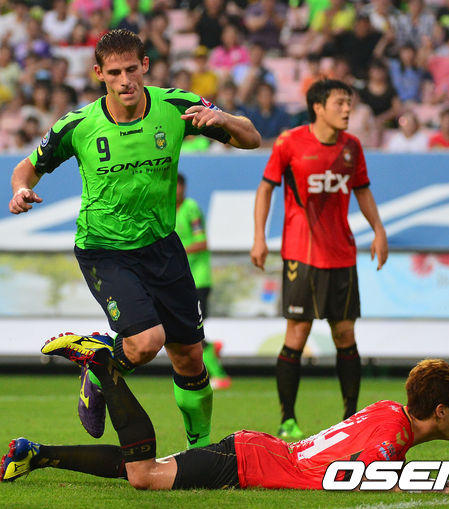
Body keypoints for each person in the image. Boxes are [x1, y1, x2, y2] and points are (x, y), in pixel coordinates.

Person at [8, 29, 260, 449]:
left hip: (162, 247)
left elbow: (251, 138)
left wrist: (225, 120)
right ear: (98, 74)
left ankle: (199, 452)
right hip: (104, 250)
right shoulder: (79, 125)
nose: (125, 81)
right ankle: (98, 372)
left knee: (190, 357)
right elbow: (26, 169)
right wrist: (20, 190)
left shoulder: (176, 107)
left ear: (145, 66)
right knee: (146, 342)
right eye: (114, 73)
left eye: (131, 69)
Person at [1, 348, 449, 494]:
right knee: (145, 476)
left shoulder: (390, 411)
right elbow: (364, 476)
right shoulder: (393, 438)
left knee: (139, 468)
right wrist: (431, 485)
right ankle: (105, 371)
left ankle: (35, 454)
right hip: (250, 464)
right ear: (440, 411)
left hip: (258, 450)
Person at [250, 79, 388, 440]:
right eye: (340, 103)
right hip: (302, 254)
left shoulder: (352, 147)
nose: (347, 109)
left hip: (342, 254)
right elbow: (265, 189)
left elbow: (363, 191)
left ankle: (351, 418)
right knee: (298, 332)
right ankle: (288, 419)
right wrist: (259, 237)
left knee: (345, 333)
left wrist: (378, 230)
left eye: (349, 103)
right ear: (318, 107)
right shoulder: (289, 142)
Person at [175, 173, 231, 390]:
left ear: (184, 188)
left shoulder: (191, 209)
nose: (175, 190)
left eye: (179, 186)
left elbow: (202, 243)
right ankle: (212, 349)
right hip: (181, 280)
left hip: (198, 280)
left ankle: (220, 375)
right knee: (187, 331)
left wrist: (176, 251)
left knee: (192, 332)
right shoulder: (167, 210)